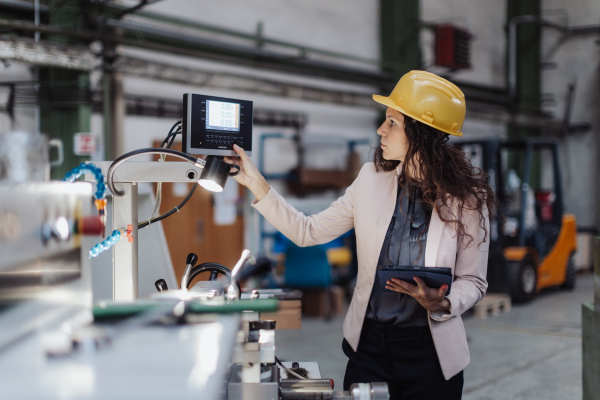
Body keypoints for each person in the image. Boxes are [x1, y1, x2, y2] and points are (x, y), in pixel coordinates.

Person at [225, 70, 498, 400]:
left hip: (430, 355)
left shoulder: (467, 199)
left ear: (421, 132)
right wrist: (256, 183)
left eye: (393, 122)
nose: (381, 130)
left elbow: (474, 280)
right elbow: (307, 231)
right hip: (369, 349)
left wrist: (444, 301)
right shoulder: (371, 179)